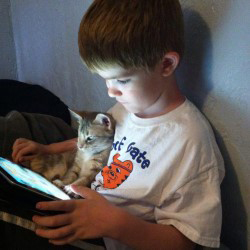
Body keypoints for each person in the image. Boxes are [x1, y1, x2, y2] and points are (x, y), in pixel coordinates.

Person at [12, 0, 225, 249]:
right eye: (105, 80)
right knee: (18, 134)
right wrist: (47, 149)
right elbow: (97, 143)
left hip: (109, 234)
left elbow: (187, 241)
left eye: (122, 81)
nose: (111, 91)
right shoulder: (125, 109)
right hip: (86, 196)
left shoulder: (191, 141)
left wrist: (114, 224)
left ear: (166, 64)